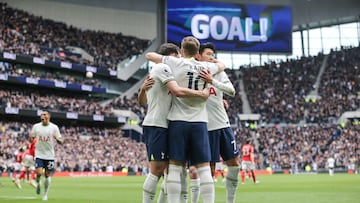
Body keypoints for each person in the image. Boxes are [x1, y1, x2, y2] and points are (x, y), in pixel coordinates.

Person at [146, 36, 225, 203]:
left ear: (182, 51)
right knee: (204, 169)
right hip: (200, 122)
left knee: (175, 169)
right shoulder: (206, 66)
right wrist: (213, 63)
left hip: (177, 121)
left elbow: (151, 56)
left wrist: (174, 59)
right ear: (198, 52)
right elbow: (221, 66)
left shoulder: (176, 63)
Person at [196, 42, 241, 203]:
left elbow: (232, 91)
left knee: (235, 164)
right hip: (204, 127)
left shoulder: (219, 73)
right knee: (209, 169)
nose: (211, 57)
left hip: (223, 124)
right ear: (198, 56)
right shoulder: (192, 72)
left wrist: (212, 81)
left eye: (213, 55)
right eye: (208, 54)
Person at [30, 110, 63, 201]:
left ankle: (45, 194)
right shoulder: (36, 127)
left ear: (48, 116)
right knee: (39, 173)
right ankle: (38, 184)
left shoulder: (54, 127)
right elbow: (31, 140)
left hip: (49, 155)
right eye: (41, 115)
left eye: (44, 114)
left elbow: (61, 141)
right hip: (39, 154)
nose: (42, 116)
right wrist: (30, 138)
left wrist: (57, 139)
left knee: (47, 175)